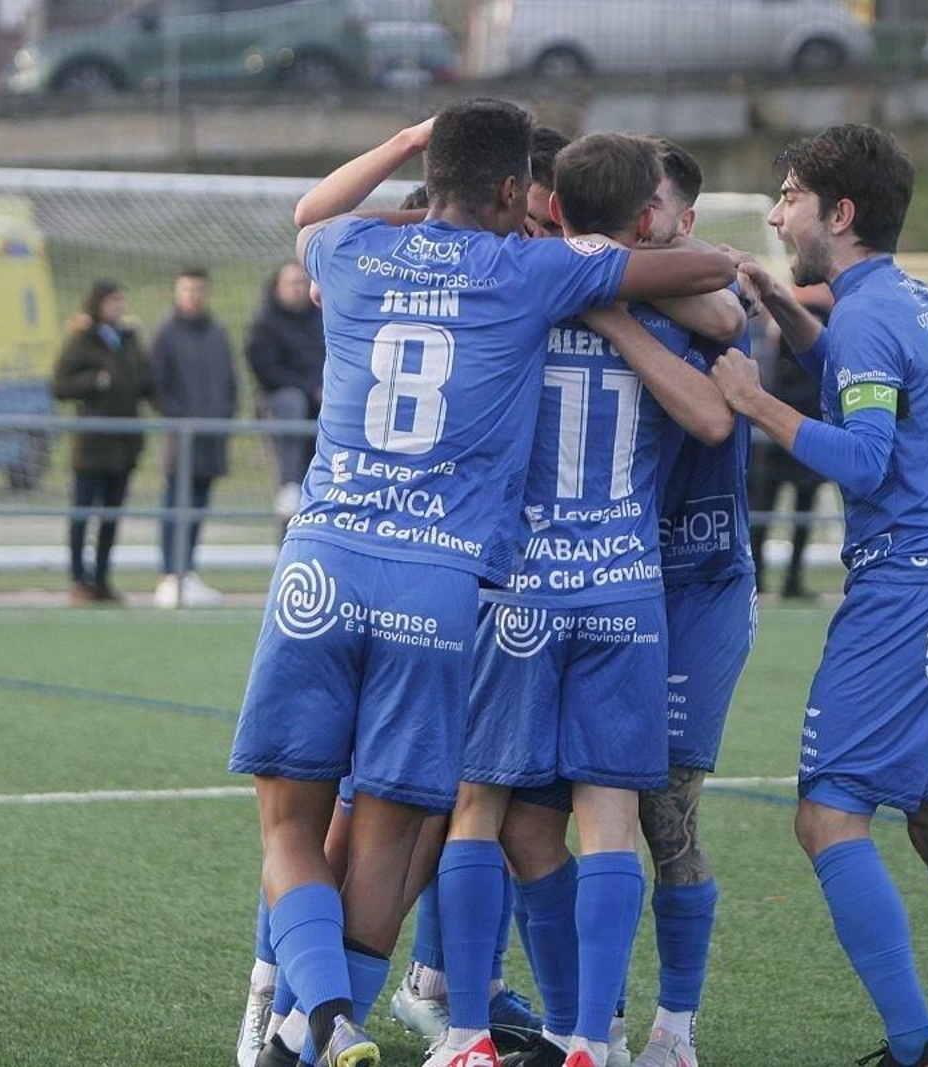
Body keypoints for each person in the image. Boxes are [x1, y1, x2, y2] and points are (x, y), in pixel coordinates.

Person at [229, 99, 737, 1067]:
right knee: (397, 835)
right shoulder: (531, 269)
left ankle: (316, 1010)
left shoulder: (353, 249)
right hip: (445, 587)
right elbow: (711, 281)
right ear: (515, 192)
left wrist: (404, 146)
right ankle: (347, 1023)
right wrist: (603, 253)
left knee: (297, 826)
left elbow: (311, 215)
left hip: (323, 564)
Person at [711, 125, 928, 1067]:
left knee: (827, 816)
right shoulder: (903, 296)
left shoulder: (865, 319)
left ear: (840, 213)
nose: (778, 215)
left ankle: (912, 1049)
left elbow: (863, 458)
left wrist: (755, 400)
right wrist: (783, 303)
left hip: (905, 594)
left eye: (790, 197)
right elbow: (863, 376)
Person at [427, 133, 742, 1067]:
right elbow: (718, 372)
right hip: (624, 591)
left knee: (477, 803)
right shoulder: (661, 306)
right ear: (649, 217)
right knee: (611, 820)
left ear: (552, 207)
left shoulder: (515, 286)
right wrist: (625, 290)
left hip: (519, 586)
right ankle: (590, 1040)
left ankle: (466, 1033)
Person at [579, 138, 759, 1067]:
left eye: (650, 204)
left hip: (700, 579)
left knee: (667, 812)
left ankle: (674, 1030)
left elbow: (725, 302)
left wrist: (616, 300)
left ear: (678, 221)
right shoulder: (599, 272)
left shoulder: (708, 301)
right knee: (570, 801)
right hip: (611, 575)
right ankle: (593, 1020)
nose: (637, 217)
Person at [51, 280, 153, 605]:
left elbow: (145, 380)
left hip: (125, 444)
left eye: (121, 301)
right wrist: (93, 382)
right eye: (112, 301)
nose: (118, 307)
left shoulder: (129, 339)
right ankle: (78, 580)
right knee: (82, 514)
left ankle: (102, 580)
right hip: (92, 447)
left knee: (111, 517)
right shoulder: (83, 340)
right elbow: (59, 385)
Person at [150, 267, 235, 609]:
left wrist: (223, 416)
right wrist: (181, 419)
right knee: (175, 503)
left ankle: (188, 571)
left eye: (199, 290)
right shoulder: (166, 333)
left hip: (212, 438)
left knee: (199, 505)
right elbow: (157, 386)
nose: (193, 296)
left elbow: (229, 383)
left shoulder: (217, 332)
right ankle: (170, 574)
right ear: (177, 292)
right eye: (187, 290)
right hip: (180, 439)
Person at [748, 301, 832, 600]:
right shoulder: (786, 338)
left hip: (805, 442)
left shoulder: (824, 328)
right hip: (780, 442)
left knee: (801, 513)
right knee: (764, 508)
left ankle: (792, 579)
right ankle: (758, 575)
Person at [247, 261, 325, 519]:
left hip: (321, 403)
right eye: (291, 282)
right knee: (293, 402)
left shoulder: (319, 320)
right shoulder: (265, 323)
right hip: (283, 401)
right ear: (278, 286)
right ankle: (289, 483)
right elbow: (266, 370)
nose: (297, 288)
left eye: (302, 282)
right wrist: (311, 388)